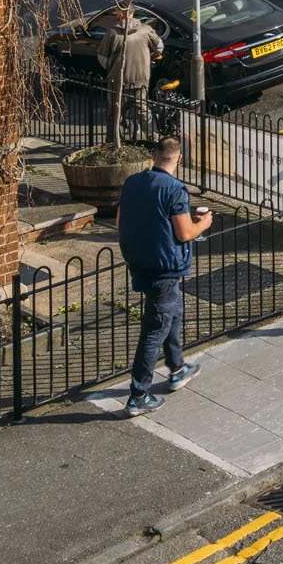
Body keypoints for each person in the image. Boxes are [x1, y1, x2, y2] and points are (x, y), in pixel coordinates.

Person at [116, 136, 212, 416]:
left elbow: (120, 221)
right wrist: (203, 223)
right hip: (164, 267)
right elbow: (184, 233)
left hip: (140, 260)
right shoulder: (175, 189)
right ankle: (138, 395)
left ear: (154, 156)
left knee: (172, 313)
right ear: (179, 159)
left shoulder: (133, 182)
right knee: (155, 328)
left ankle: (178, 368)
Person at [98, 7, 162, 143]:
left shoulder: (112, 33)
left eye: (116, 11)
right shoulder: (145, 30)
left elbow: (102, 58)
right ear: (132, 12)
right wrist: (151, 57)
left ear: (121, 13)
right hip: (140, 78)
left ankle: (113, 141)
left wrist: (111, 68)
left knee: (114, 112)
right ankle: (154, 138)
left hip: (117, 80)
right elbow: (160, 46)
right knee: (142, 110)